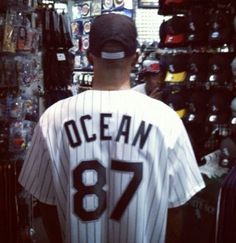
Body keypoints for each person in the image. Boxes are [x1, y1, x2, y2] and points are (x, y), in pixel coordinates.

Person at [18, 13, 205, 243]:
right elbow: (176, 207)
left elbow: (46, 203)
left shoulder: (52, 119)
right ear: (136, 58)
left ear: (88, 55)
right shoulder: (165, 120)